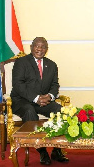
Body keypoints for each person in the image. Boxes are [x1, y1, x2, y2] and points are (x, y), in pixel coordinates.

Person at [11, 37, 69, 165]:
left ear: (46, 50)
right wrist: (35, 98)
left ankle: (57, 149)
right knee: (30, 111)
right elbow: (18, 85)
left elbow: (55, 85)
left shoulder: (52, 65)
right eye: (37, 46)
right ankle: (42, 150)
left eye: (43, 47)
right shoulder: (21, 62)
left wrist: (50, 96)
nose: (40, 49)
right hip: (22, 101)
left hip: (43, 101)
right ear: (31, 47)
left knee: (61, 111)